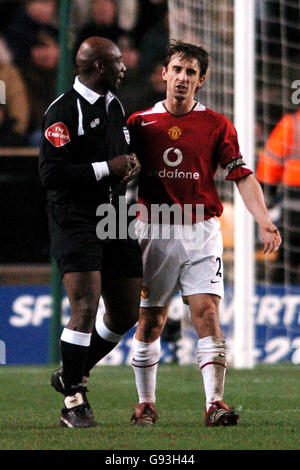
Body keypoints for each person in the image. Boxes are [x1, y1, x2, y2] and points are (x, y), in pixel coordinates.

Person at [126, 40, 281, 427]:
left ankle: (215, 404)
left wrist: (263, 219)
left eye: (190, 73)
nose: (182, 78)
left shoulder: (216, 125)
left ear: (201, 81)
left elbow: (242, 176)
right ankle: (145, 403)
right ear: (164, 74)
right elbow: (119, 171)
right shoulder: (138, 123)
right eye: (176, 69)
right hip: (154, 230)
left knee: (206, 312)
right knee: (151, 320)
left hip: (202, 229)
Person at [39, 36, 142, 428]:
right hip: (75, 218)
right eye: (117, 62)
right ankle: (74, 400)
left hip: (114, 214)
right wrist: (106, 168)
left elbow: (119, 157)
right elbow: (51, 175)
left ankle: (70, 372)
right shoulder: (62, 111)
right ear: (98, 67)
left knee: (124, 311)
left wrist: (128, 166)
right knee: (85, 305)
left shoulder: (115, 105)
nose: (124, 67)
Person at [256, 110, 300, 284]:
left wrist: (268, 197)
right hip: (294, 202)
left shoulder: (292, 123)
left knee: (288, 259)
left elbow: (269, 167)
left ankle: (280, 297)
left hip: (294, 205)